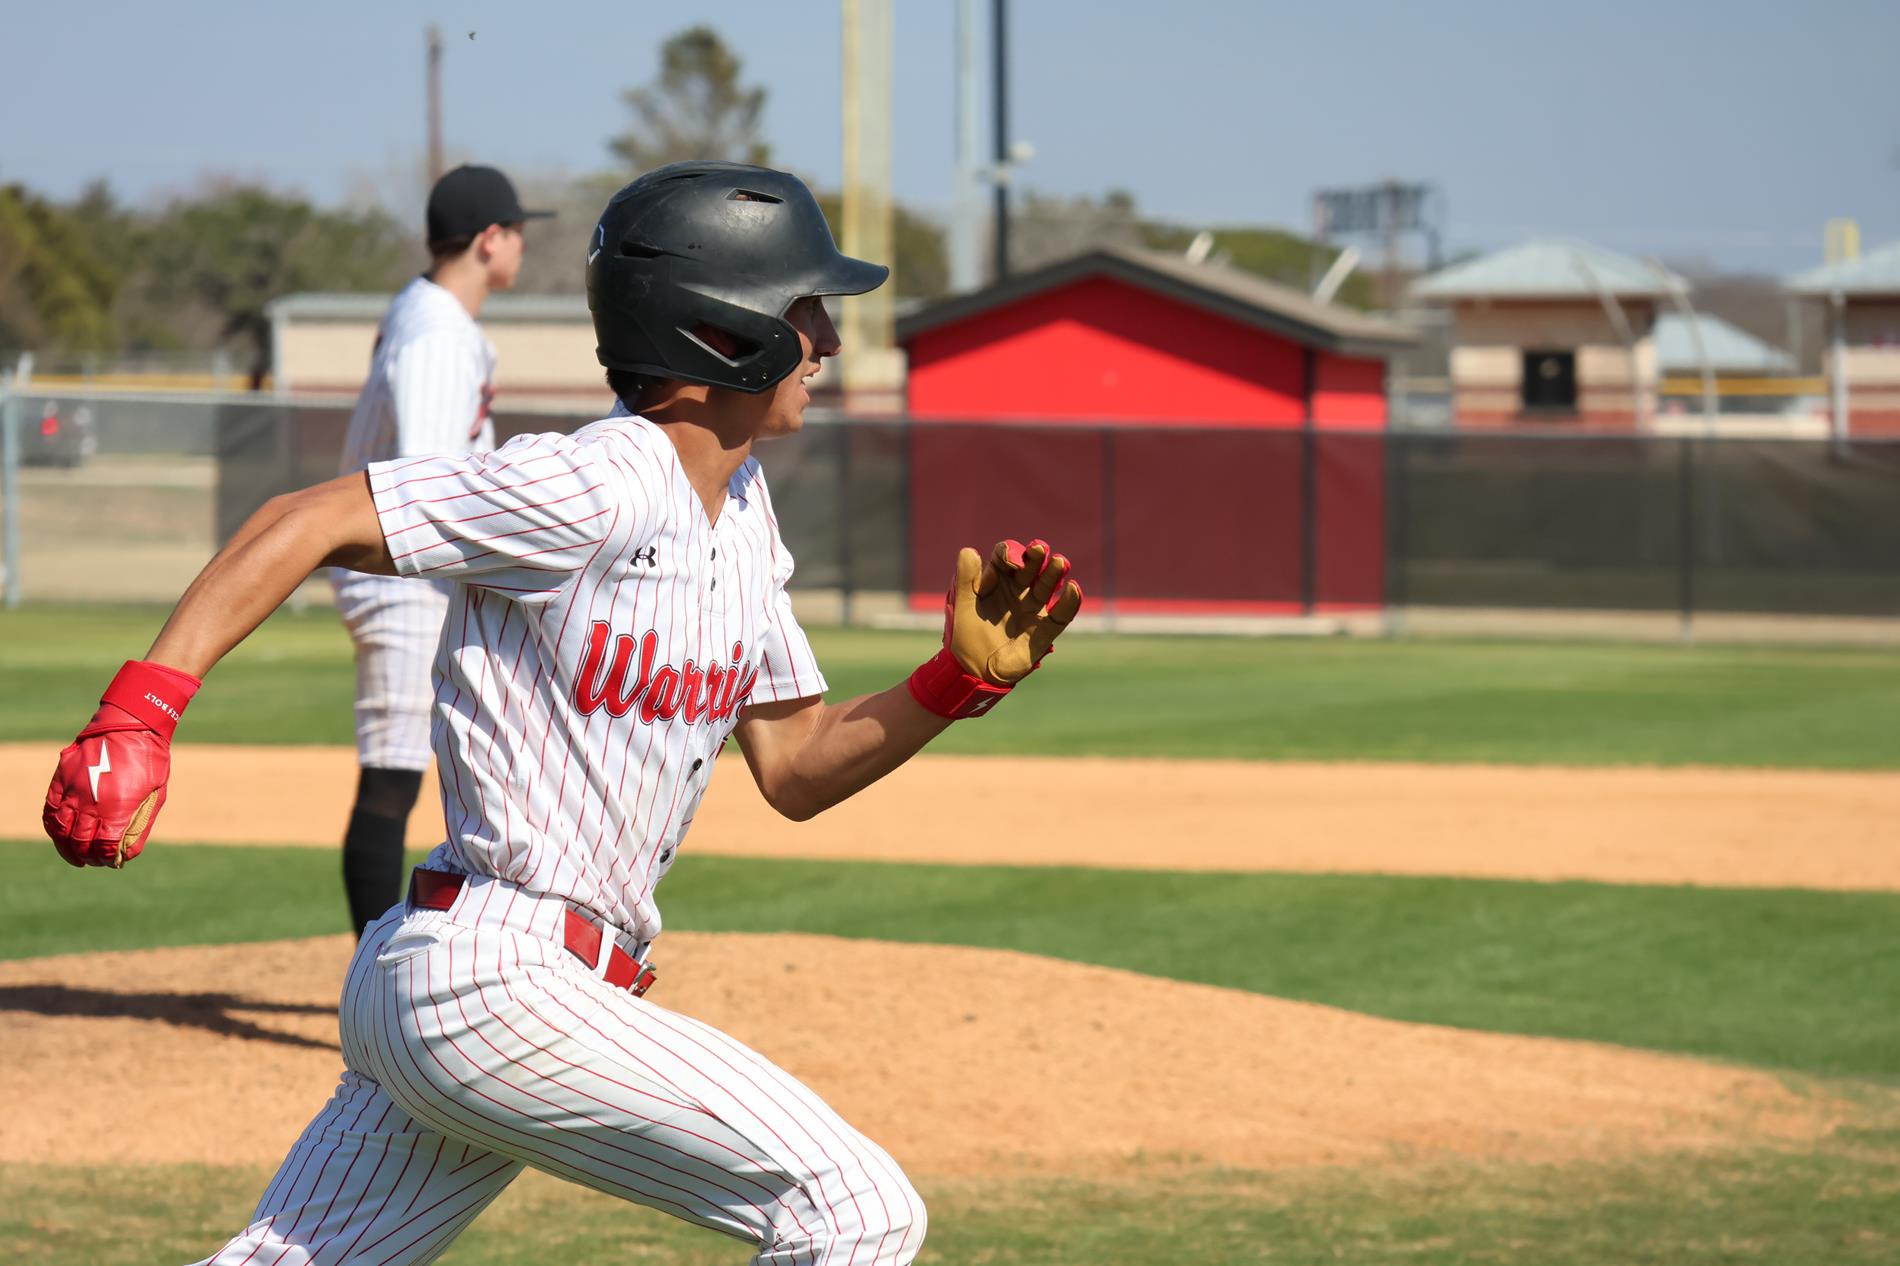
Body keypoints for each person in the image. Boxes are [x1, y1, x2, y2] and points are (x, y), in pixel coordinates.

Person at [42, 160, 1083, 1266]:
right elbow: (305, 519)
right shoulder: (593, 484)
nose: (826, 340)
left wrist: (950, 685)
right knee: (856, 1209)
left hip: (496, 987)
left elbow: (798, 767)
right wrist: (139, 714)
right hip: (493, 975)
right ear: (723, 331)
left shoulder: (739, 515)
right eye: (804, 307)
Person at [333, 163, 552, 938]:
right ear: (490, 239)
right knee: (394, 775)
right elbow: (425, 483)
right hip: (401, 579)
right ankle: (372, 976)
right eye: (519, 231)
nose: (524, 245)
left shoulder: (427, 314)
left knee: (472, 762)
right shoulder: (437, 334)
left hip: (408, 575)